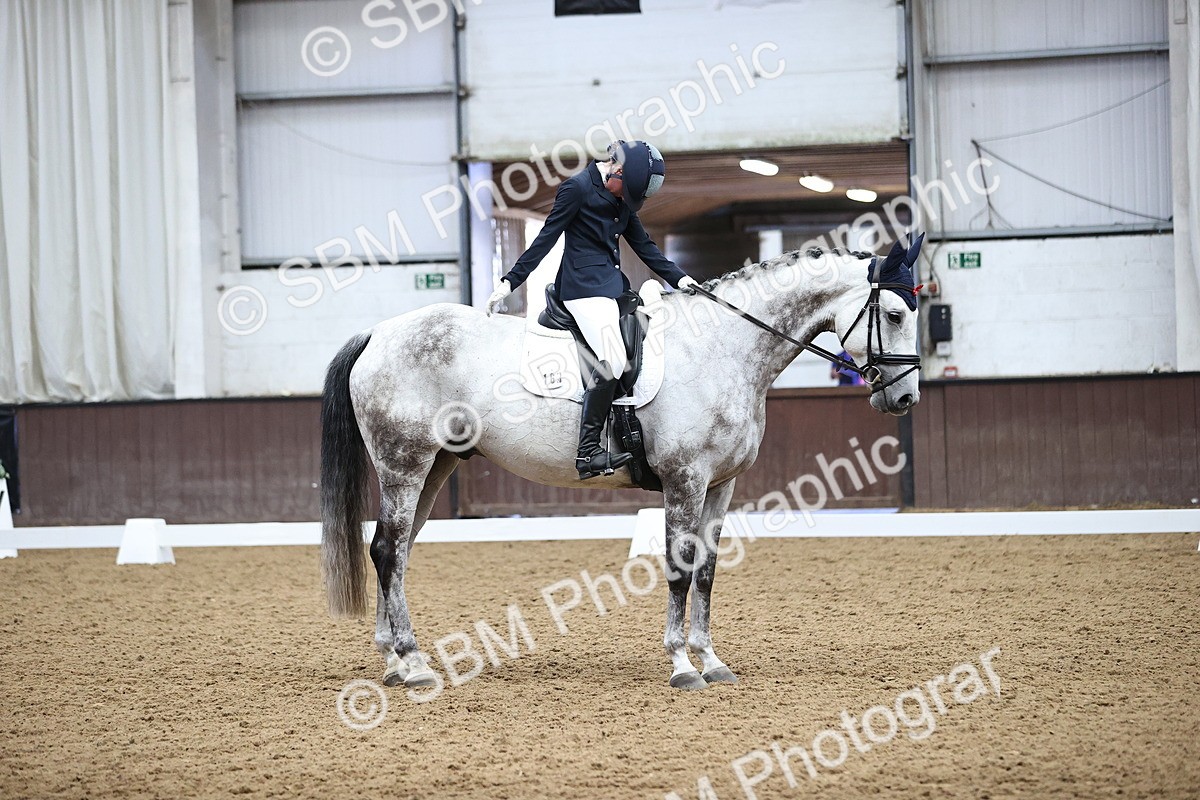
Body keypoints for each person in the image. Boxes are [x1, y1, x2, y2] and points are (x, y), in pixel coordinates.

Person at [486, 140, 697, 480]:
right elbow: (546, 237)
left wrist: (682, 279)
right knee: (613, 360)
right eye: (624, 191)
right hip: (582, 290)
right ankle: (588, 452)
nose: (623, 201)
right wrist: (510, 281)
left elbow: (643, 245)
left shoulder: (620, 194)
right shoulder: (577, 189)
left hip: (612, 288)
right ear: (617, 171)